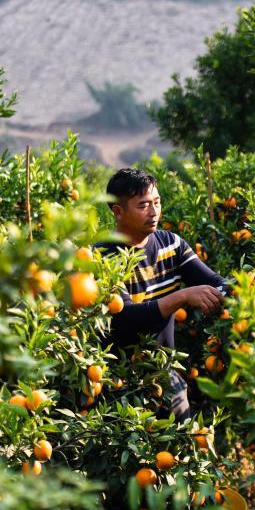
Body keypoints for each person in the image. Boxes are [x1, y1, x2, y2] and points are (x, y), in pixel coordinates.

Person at [96, 168, 229, 422]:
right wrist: (182, 297)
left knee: (178, 450)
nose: (154, 211)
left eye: (156, 202)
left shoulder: (172, 245)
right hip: (117, 382)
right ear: (118, 212)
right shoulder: (102, 258)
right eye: (144, 205)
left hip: (165, 376)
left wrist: (251, 288)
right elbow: (124, 318)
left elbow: (214, 283)